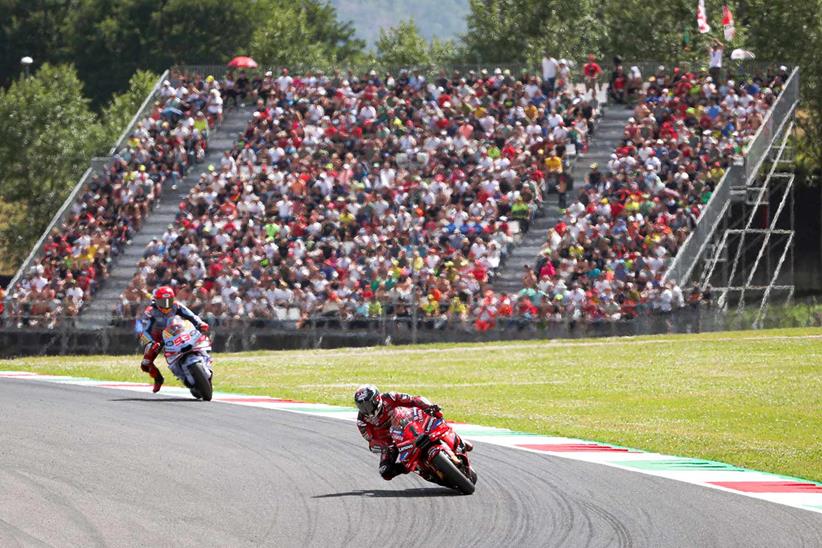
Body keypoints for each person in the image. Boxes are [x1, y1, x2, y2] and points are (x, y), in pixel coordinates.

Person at [354, 384, 472, 480]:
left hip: (409, 423)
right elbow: (371, 440)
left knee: (436, 416)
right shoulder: (362, 422)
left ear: (376, 399)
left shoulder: (390, 397)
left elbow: (413, 399)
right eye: (362, 406)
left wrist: (428, 407)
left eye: (368, 404)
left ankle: (457, 439)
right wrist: (384, 445)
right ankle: (412, 467)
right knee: (385, 472)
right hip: (391, 442)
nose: (366, 409)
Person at [138, 286, 209, 392]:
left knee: (200, 339)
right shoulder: (150, 311)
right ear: (156, 301)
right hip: (158, 338)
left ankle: (205, 359)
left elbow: (192, 316)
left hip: (179, 331)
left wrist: (200, 323)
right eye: (163, 302)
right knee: (146, 363)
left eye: (169, 301)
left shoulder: (176, 305)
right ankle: (158, 379)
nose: (166, 305)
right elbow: (143, 331)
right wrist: (150, 341)